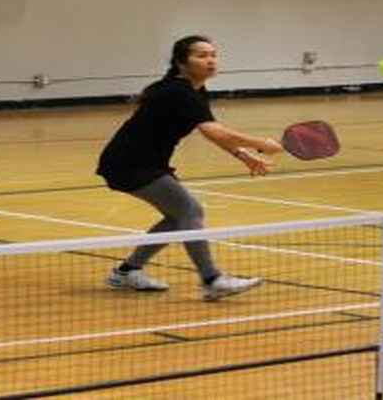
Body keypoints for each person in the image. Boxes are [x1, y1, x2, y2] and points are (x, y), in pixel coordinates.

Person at [96, 35, 283, 301]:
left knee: (178, 217)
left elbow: (208, 130)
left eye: (213, 55)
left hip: (143, 162)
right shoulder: (178, 91)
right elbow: (216, 131)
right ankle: (212, 279)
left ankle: (127, 271)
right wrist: (260, 144)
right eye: (202, 55)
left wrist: (243, 155)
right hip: (129, 163)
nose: (210, 60)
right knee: (190, 210)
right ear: (181, 62)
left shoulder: (194, 90)